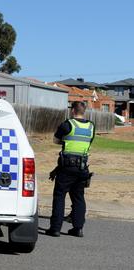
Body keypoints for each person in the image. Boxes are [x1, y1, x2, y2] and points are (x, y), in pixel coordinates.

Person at [46, 101, 94, 238]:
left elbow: (55, 140)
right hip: (82, 167)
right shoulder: (91, 126)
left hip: (66, 167)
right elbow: (88, 142)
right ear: (83, 111)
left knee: (60, 196)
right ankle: (78, 228)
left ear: (73, 111)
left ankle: (55, 229)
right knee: (78, 197)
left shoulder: (68, 124)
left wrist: (65, 141)